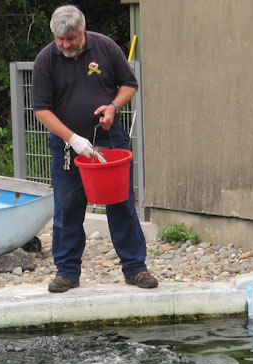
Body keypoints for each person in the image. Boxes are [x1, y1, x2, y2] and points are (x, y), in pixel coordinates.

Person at [32, 4, 158, 293]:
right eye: (60, 39)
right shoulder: (46, 60)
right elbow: (41, 109)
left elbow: (129, 84)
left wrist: (114, 107)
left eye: (71, 38)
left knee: (122, 203)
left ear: (82, 31)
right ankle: (66, 272)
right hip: (67, 146)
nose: (65, 44)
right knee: (67, 206)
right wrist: (72, 139)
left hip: (108, 137)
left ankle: (135, 268)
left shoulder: (105, 48)